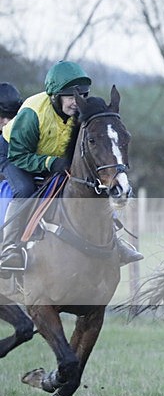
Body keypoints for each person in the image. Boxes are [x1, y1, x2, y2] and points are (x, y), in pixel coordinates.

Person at [0, 61, 142, 274]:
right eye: (69, 96)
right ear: (55, 96)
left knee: (90, 184)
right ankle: (10, 248)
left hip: (49, 154)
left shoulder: (80, 115)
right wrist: (50, 163)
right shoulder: (32, 113)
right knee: (25, 189)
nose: (76, 102)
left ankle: (114, 239)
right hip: (13, 153)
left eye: (82, 95)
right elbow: (19, 155)